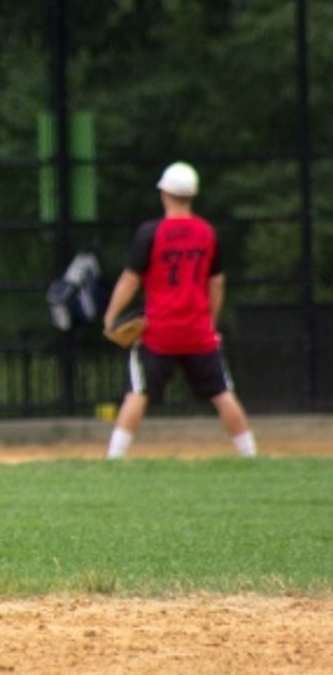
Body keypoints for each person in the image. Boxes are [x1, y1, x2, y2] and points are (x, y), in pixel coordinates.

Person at [102, 161, 256, 460]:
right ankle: (250, 455)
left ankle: (114, 458)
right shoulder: (207, 233)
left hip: (159, 332)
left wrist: (111, 317)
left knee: (138, 392)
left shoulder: (150, 233)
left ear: (165, 195)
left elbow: (130, 279)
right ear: (192, 195)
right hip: (198, 331)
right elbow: (217, 282)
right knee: (223, 393)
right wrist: (210, 323)